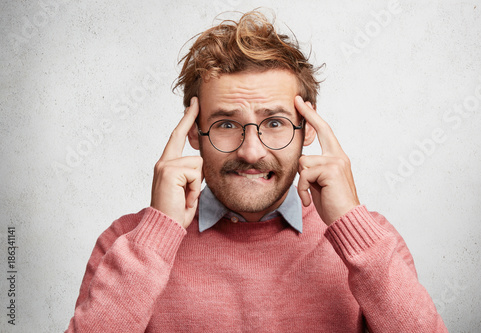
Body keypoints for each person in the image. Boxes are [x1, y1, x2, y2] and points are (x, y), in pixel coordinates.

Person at [66, 10, 447, 332]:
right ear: (194, 134)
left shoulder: (370, 240)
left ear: (309, 129)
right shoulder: (128, 242)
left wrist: (351, 225)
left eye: (275, 123)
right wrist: (155, 237)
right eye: (226, 125)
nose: (251, 151)